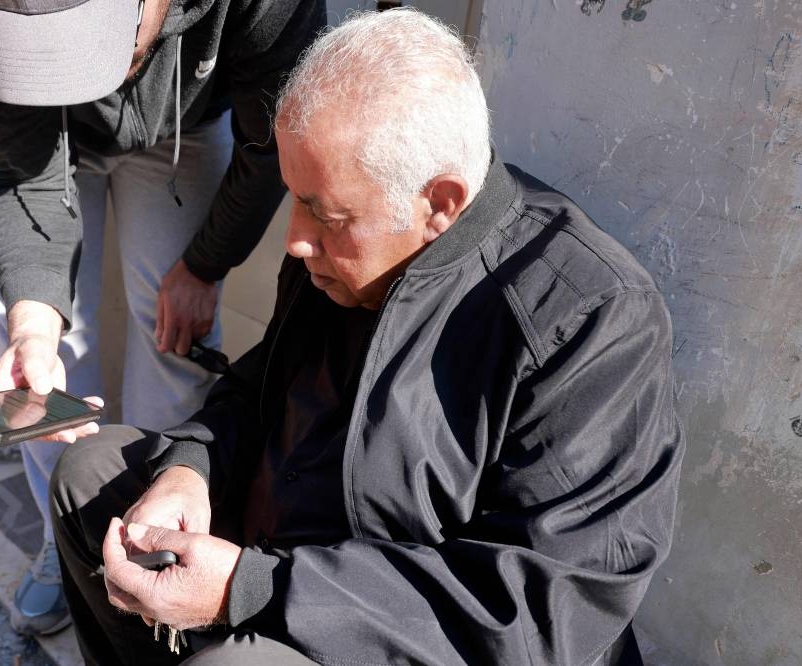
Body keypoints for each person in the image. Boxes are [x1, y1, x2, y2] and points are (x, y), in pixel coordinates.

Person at [51, 8, 685, 665]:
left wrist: (250, 590)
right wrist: (189, 469)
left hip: (402, 637)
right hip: (282, 563)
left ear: (438, 203)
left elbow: (540, 611)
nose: (295, 240)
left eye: (323, 213)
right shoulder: (339, 259)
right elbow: (257, 390)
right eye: (295, 198)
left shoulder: (589, 319)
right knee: (93, 477)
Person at [0, 0, 326, 636]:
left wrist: (205, 266)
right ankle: (71, 534)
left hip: (182, 122)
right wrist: (34, 328)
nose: (63, 65)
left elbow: (271, 134)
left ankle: (155, 536)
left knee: (176, 341)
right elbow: (24, 171)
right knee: (45, 368)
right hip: (21, 139)